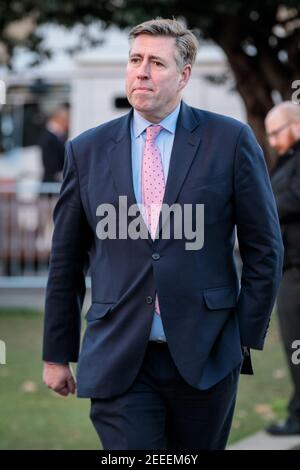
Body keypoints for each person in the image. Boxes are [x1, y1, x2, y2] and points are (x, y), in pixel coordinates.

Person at [43, 18, 283, 450]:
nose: (142, 71)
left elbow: (264, 247)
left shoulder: (230, 141)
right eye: (135, 59)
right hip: (119, 355)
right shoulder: (87, 150)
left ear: (184, 75)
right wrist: (55, 352)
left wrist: (242, 337)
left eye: (157, 62)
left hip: (206, 354)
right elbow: (66, 260)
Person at [265, 101, 300, 436]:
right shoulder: (287, 161)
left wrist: (260, 207)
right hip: (289, 269)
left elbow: (289, 201)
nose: (273, 140)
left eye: (276, 132)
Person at [38, 104, 69, 183]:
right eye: (66, 120)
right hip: (52, 182)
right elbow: (51, 165)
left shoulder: (54, 137)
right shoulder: (50, 138)